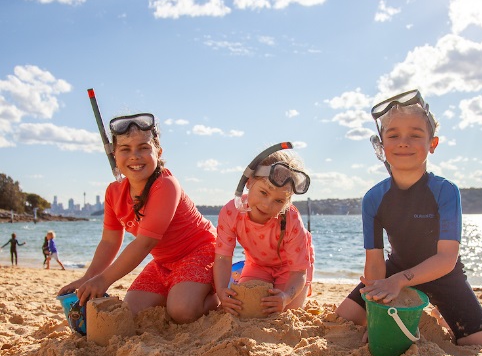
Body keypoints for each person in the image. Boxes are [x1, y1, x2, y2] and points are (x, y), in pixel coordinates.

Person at [335, 89, 482, 346]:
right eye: (393, 135)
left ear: (433, 144)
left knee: (480, 344)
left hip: (444, 274)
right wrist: (378, 316)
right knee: (344, 318)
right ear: (381, 145)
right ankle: (413, 311)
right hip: (394, 270)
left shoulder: (445, 191)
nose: (403, 142)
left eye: (415, 135)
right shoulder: (374, 198)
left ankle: (436, 314)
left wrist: (399, 281)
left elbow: (447, 258)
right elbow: (375, 264)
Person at [58, 113, 219, 324]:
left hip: (201, 252)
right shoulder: (113, 193)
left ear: (158, 152)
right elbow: (109, 241)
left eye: (144, 147)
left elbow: (145, 242)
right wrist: (88, 278)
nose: (135, 156)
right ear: (114, 155)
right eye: (125, 149)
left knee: (182, 311)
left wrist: (104, 280)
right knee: (132, 312)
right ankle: (180, 290)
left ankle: (215, 295)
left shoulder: (166, 185)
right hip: (163, 263)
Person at [214, 144, 315, 316]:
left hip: (291, 269)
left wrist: (285, 297)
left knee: (286, 311)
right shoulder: (231, 212)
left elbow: (299, 272)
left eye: (279, 201)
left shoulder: (290, 219)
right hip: (258, 265)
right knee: (248, 308)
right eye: (263, 192)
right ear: (249, 182)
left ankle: (298, 292)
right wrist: (222, 290)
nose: (267, 205)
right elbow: (223, 258)